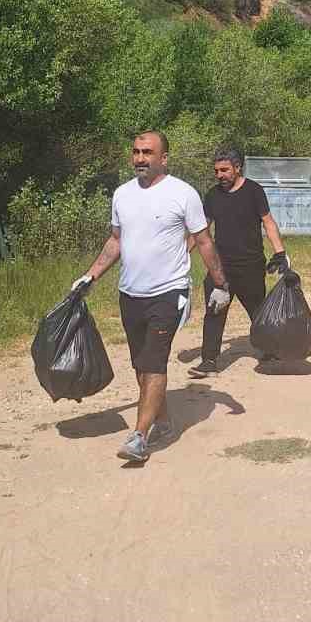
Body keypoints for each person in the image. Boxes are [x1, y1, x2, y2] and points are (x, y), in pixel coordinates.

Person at [75, 130, 229, 464]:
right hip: (130, 292)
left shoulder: (183, 194)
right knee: (140, 364)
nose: (140, 158)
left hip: (169, 292)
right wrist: (91, 276)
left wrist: (221, 284)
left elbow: (203, 241)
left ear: (164, 158)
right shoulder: (122, 195)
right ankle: (163, 420)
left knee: (154, 360)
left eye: (147, 152)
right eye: (136, 152)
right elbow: (116, 241)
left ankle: (138, 436)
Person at [190, 146, 290, 378]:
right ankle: (209, 361)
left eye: (224, 170)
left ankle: (270, 351)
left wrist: (279, 253)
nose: (220, 175)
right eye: (216, 171)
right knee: (214, 311)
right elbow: (201, 230)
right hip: (220, 268)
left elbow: (268, 221)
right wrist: (181, 254)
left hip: (250, 266)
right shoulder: (213, 195)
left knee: (258, 312)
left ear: (237, 168)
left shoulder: (253, 191)